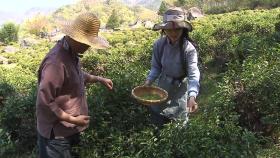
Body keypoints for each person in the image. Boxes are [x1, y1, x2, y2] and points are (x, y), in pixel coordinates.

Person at [36, 12, 113, 158]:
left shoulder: (71, 53)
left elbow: (75, 76)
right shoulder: (55, 62)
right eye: (86, 42)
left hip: (70, 129)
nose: (88, 47)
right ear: (74, 37)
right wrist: (72, 119)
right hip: (56, 135)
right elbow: (45, 101)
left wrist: (99, 79)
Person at [145, 7, 200, 127]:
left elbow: (193, 74)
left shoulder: (189, 49)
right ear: (164, 30)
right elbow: (156, 67)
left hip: (180, 89)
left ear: (183, 29)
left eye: (177, 29)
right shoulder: (159, 45)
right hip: (163, 85)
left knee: (179, 121)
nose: (173, 33)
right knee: (157, 115)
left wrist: (192, 96)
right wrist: (148, 82)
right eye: (169, 30)